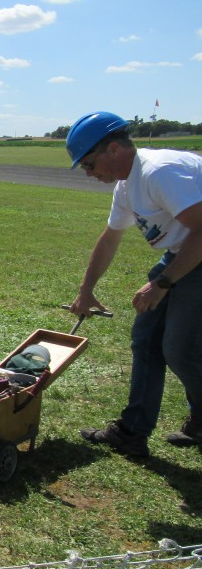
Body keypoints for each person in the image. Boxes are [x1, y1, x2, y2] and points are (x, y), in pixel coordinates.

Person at [68, 111, 202, 458]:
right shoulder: (127, 185)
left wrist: (163, 283)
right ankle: (132, 432)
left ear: (113, 149)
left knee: (179, 349)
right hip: (182, 253)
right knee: (146, 340)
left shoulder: (160, 172)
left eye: (89, 163)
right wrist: (86, 290)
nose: (88, 173)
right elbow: (110, 238)